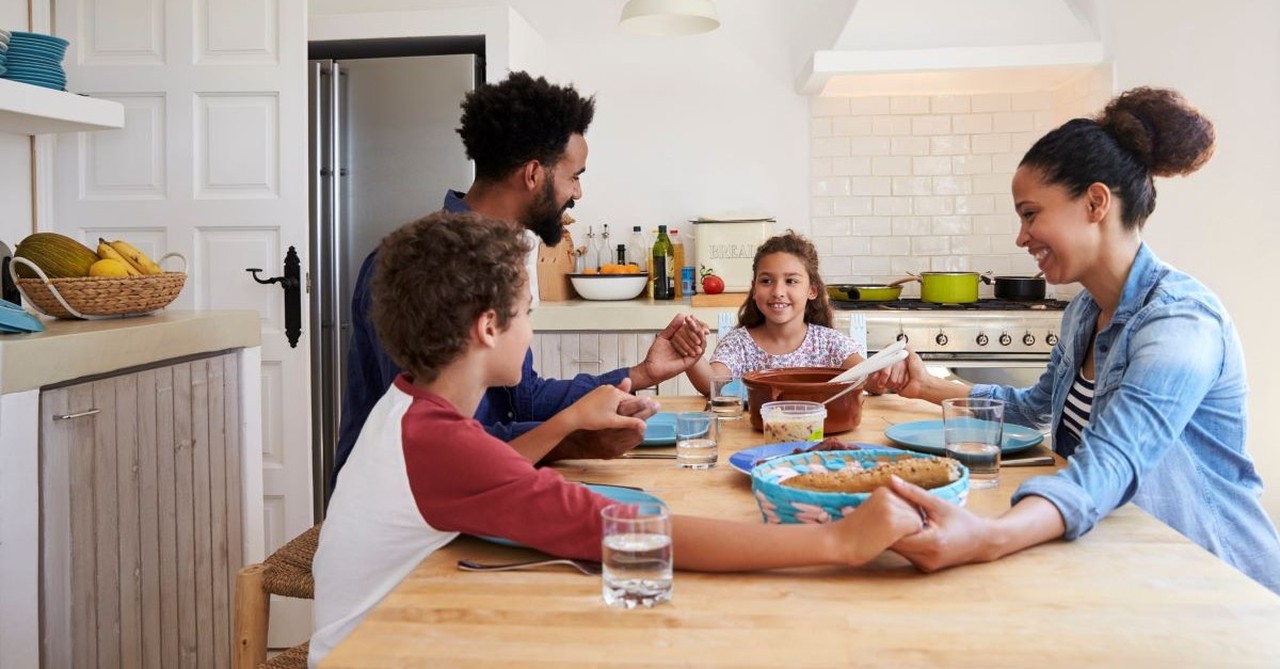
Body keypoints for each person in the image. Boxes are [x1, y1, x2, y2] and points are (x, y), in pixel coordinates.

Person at [308, 212, 925, 664]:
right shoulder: (440, 443)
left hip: (400, 634)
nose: (531, 327)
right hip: (375, 650)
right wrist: (838, 541)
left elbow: (487, 471)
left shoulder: (409, 404)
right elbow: (627, 530)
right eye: (528, 312)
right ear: (489, 326)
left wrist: (570, 425)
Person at [882, 87, 1280, 594]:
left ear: (1096, 202)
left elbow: (1113, 460)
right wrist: (928, 386)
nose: (1021, 237)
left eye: (1030, 214)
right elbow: (1034, 408)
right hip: (1126, 563)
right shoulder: (1084, 311)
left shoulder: (1180, 323)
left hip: (1215, 582)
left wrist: (988, 537)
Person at [334, 72, 705, 487]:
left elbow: (520, 399)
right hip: (407, 512)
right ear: (533, 175)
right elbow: (440, 446)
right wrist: (572, 437)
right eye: (575, 175)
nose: (578, 193)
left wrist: (641, 373)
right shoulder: (422, 267)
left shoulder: (497, 260)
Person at [684, 231, 891, 394]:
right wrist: (692, 354)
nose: (777, 292)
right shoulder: (739, 344)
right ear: (754, 289)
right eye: (766, 281)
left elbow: (872, 382)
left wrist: (889, 362)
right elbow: (712, 385)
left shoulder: (830, 343)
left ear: (812, 290)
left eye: (791, 281)